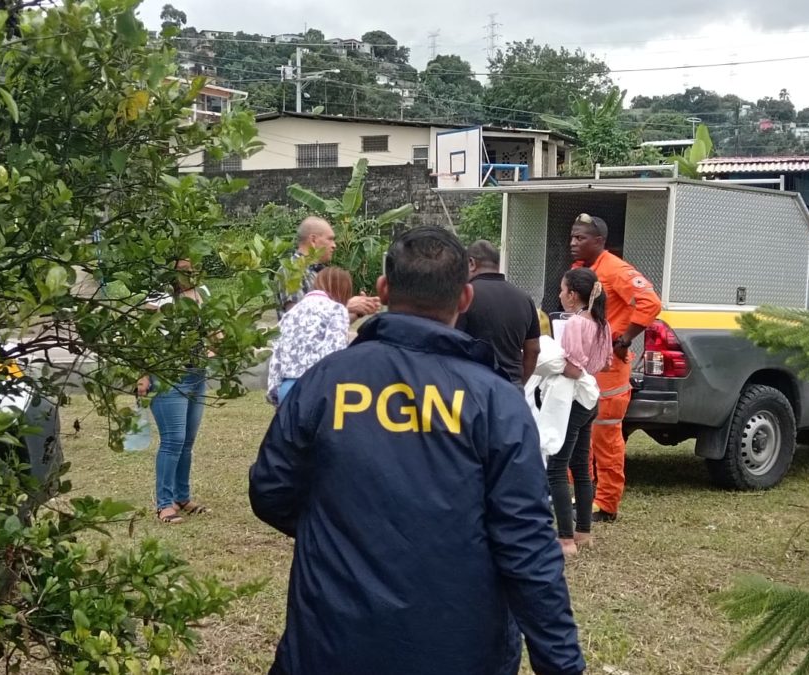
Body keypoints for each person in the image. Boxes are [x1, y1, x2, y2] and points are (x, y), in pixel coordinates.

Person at [250, 227, 585, 675]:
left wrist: (344, 532)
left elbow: (271, 489)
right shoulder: (495, 400)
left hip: (330, 641)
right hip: (459, 646)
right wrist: (560, 663)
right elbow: (527, 544)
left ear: (385, 290)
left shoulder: (326, 381)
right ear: (464, 299)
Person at [570, 213, 662, 522]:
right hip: (586, 364)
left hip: (608, 370)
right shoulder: (583, 270)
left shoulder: (615, 270)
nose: (573, 243)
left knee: (605, 437)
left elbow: (650, 302)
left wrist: (624, 339)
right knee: (578, 433)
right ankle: (575, 494)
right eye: (572, 237)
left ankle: (606, 503)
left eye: (580, 238)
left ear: (599, 241)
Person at [136, 260, 212, 525]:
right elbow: (144, 337)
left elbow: (212, 330)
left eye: (193, 266)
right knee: (173, 440)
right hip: (169, 376)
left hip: (197, 375)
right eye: (184, 267)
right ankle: (164, 504)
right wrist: (143, 375)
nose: (190, 271)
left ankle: (182, 496)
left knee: (187, 441)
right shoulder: (158, 296)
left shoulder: (202, 292)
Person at [549, 268, 613, 557]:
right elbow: (606, 363)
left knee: (557, 467)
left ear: (573, 295)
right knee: (580, 465)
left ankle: (565, 539)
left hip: (573, 399)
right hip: (591, 398)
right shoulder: (603, 324)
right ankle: (583, 532)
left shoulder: (575, 324)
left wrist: (547, 361)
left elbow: (573, 368)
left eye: (563, 290)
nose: (560, 295)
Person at [457, 239, 541, 386]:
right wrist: (518, 384)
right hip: (511, 387)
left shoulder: (464, 297)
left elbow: (452, 343)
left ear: (471, 263)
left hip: (474, 388)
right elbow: (533, 350)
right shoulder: (525, 299)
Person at [266, 267, 354, 405]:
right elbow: (334, 352)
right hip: (315, 389)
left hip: (286, 389)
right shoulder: (337, 310)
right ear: (342, 289)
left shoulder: (290, 314)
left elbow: (276, 355)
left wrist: (275, 394)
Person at [276, 216, 380, 321]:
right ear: (313, 240)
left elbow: (329, 325)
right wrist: (346, 307)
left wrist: (358, 312)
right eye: (330, 239)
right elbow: (299, 319)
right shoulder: (291, 270)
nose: (334, 245)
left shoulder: (318, 273)